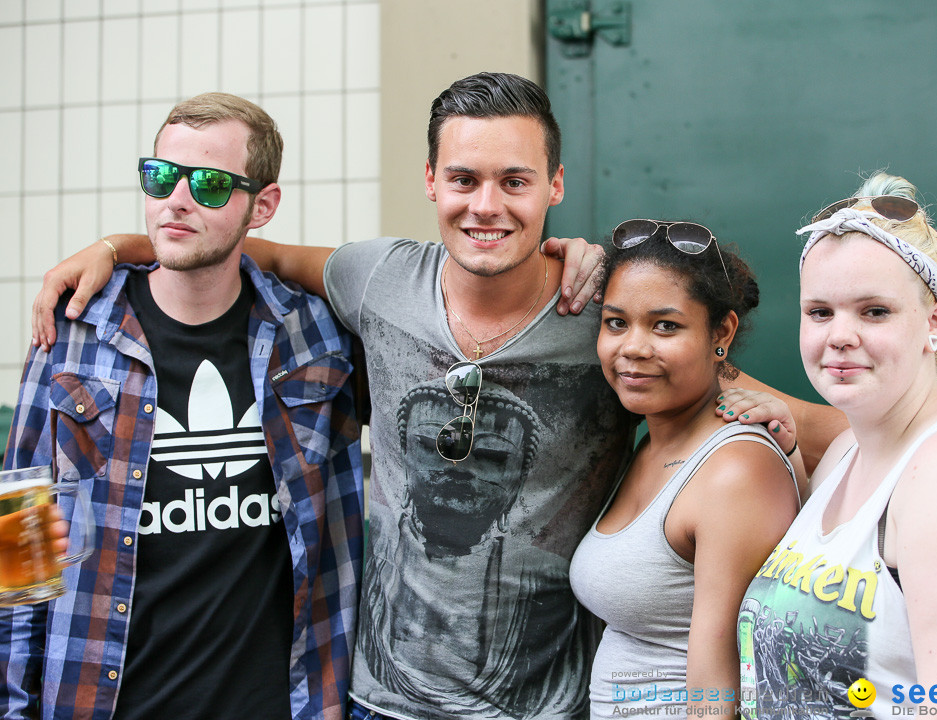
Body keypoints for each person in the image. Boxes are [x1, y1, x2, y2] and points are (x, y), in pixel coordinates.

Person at [27, 73, 847, 720]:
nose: (485, 205)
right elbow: (249, 249)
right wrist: (117, 245)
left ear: (554, 184)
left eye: (514, 181)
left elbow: (825, 426)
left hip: (545, 706)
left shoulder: (604, 318)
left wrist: (760, 411)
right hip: (377, 701)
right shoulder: (377, 279)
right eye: (463, 178)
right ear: (429, 179)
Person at [0, 93, 365, 719]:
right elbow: (18, 545)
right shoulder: (75, 333)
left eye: (213, 185)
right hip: (108, 700)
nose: (178, 199)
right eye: (163, 175)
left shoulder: (318, 334)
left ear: (264, 205)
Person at [729, 173, 937, 718]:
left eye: (874, 312)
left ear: (934, 322)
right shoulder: (846, 453)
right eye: (820, 312)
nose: (839, 334)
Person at [568, 220, 802, 718]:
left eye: (665, 325)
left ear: (722, 332)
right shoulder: (649, 442)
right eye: (616, 323)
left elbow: (719, 687)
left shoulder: (733, 470)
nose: (633, 347)